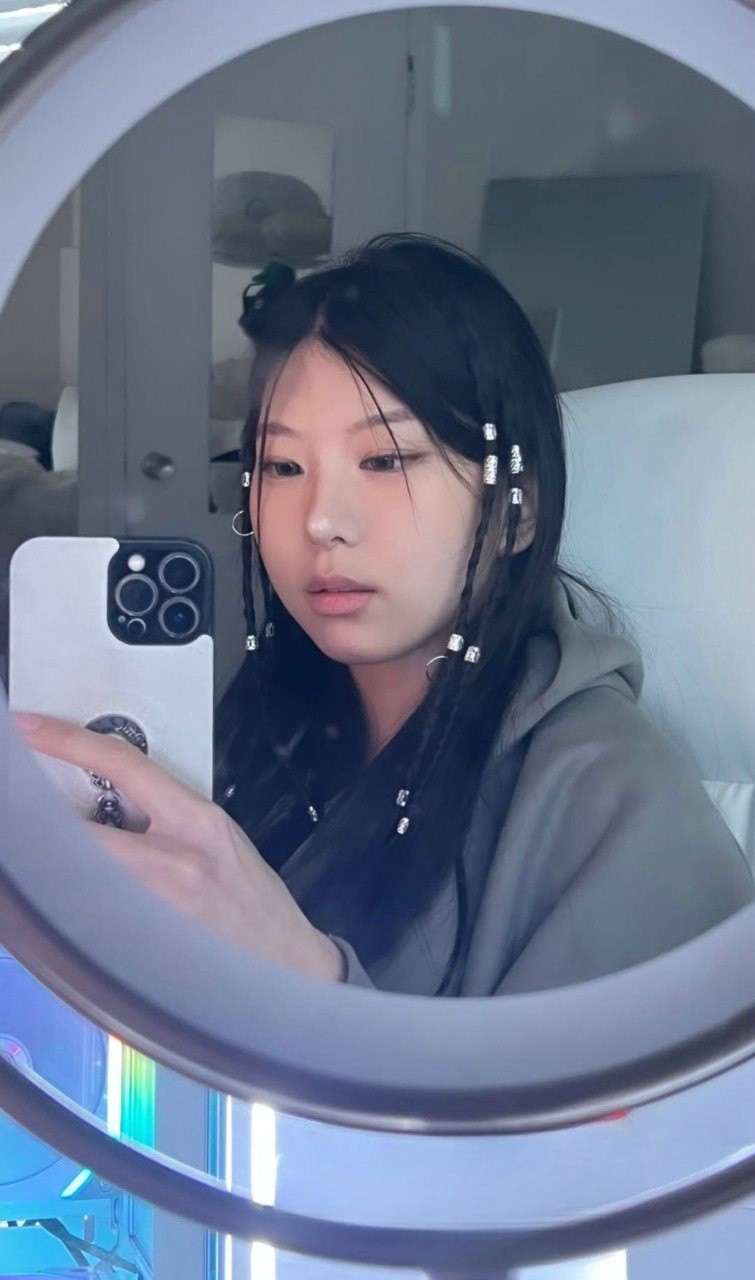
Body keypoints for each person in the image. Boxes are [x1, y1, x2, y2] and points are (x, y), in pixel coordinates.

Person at [14, 233, 753, 995]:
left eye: (385, 460)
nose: (320, 521)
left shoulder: (617, 807)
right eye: (282, 466)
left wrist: (303, 970)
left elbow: (630, 1079)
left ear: (516, 509)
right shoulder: (256, 717)